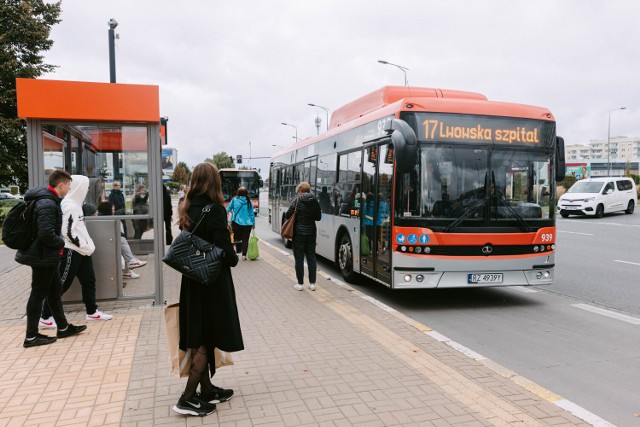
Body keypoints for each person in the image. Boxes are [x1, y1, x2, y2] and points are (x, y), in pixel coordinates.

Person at [173, 162, 243, 417]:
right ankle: (187, 397)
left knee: (202, 331)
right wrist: (233, 258)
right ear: (214, 182)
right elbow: (225, 250)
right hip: (211, 281)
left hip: (192, 280)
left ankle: (207, 389)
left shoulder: (187, 205)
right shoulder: (215, 210)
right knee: (204, 338)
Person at [16, 170, 87, 348]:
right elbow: (46, 233)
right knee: (38, 294)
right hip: (43, 256)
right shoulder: (48, 203)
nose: (70, 188)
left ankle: (63, 327)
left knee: (54, 291)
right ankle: (31, 336)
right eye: (68, 184)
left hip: (46, 256)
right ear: (61, 185)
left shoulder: (48, 200)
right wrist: (61, 242)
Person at [40, 176, 113, 326]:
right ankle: (45, 316)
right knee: (61, 284)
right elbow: (68, 232)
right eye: (85, 186)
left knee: (89, 280)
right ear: (79, 187)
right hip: (72, 251)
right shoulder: (70, 206)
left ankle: (92, 312)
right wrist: (84, 245)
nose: (87, 190)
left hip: (81, 250)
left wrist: (86, 246)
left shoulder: (75, 204)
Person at [284, 181, 321, 291]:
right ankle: (312, 284)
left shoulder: (297, 200)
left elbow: (287, 215)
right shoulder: (315, 201)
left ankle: (300, 284)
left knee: (299, 258)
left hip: (298, 233)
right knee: (311, 257)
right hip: (311, 232)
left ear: (300, 191)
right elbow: (318, 217)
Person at [97, 201, 146, 279]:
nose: (114, 211)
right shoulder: (102, 220)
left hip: (111, 241)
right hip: (106, 242)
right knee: (121, 242)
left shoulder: (108, 218)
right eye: (112, 209)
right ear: (107, 210)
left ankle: (128, 268)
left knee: (121, 243)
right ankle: (130, 262)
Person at [226, 187, 255, 260]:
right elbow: (252, 213)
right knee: (245, 239)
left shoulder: (234, 200)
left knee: (236, 238)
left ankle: (237, 254)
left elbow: (228, 209)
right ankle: (244, 256)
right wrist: (253, 224)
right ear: (246, 193)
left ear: (238, 193)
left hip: (236, 222)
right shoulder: (249, 201)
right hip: (248, 224)